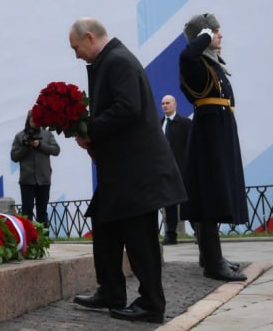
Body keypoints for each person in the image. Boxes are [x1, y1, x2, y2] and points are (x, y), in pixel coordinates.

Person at [68, 18, 187, 324]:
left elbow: (127, 107)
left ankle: (151, 304)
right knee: (105, 225)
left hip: (137, 170)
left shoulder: (118, 61)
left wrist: (91, 130)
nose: (76, 55)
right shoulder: (111, 60)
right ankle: (110, 290)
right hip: (122, 169)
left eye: (76, 47)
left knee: (139, 237)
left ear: (90, 37)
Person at [179, 13, 249, 282]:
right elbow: (186, 57)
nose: (220, 35)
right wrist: (204, 36)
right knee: (208, 198)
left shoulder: (211, 63)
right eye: (214, 32)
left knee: (216, 195)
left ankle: (212, 256)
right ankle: (212, 262)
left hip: (219, 130)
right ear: (202, 37)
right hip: (209, 133)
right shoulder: (194, 63)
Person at [10, 111, 60, 226]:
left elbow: (56, 150)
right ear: (28, 120)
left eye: (38, 120)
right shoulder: (20, 136)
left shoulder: (47, 135)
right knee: (27, 211)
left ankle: (44, 240)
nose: (35, 122)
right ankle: (28, 240)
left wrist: (39, 145)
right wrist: (25, 146)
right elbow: (14, 157)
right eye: (32, 119)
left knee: (42, 211)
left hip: (44, 179)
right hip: (27, 180)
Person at [160, 94, 192, 244]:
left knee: (188, 201)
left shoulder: (185, 123)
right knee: (169, 204)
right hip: (166, 170)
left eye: (168, 103)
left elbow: (191, 146)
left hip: (183, 169)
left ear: (175, 105)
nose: (165, 106)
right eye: (163, 103)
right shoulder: (159, 124)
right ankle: (171, 234)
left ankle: (198, 232)